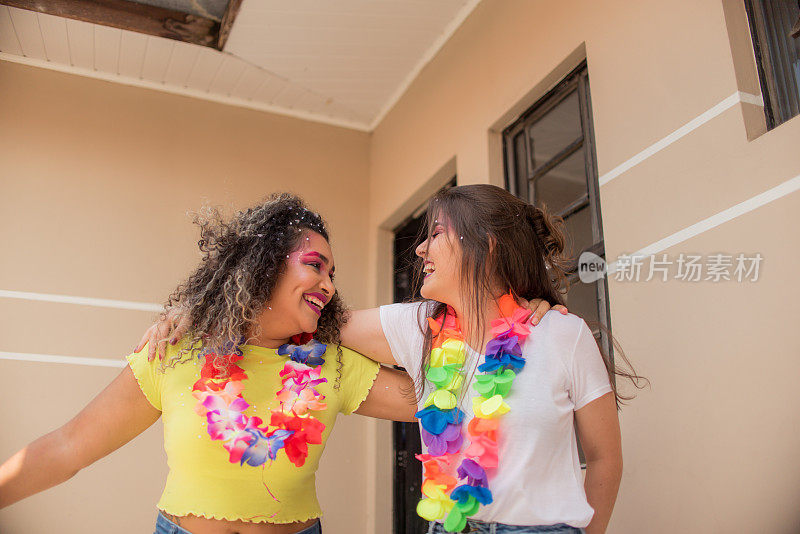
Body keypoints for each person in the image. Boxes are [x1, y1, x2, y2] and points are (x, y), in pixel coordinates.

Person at [139, 185, 641, 533]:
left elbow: (604, 458)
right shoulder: (418, 326)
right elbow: (303, 314)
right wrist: (202, 307)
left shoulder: (562, 335)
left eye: (436, 233)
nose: (420, 247)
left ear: (484, 247)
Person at [0, 193, 421, 534]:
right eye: (315, 267)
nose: (329, 285)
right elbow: (68, 447)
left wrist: (464, 300)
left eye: (332, 275)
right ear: (263, 265)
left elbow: (436, 398)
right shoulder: (175, 350)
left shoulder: (334, 363)